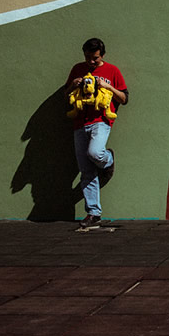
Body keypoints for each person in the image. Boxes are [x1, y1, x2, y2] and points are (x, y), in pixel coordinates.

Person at [64, 38, 128, 229]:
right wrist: (73, 85)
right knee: (86, 171)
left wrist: (107, 86)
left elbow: (124, 98)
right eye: (88, 57)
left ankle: (108, 160)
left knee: (94, 153)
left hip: (101, 121)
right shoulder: (77, 69)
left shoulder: (112, 71)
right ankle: (93, 213)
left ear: (102, 55)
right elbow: (65, 97)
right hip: (79, 123)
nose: (91, 62)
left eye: (95, 58)